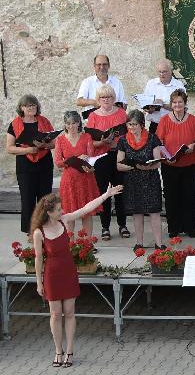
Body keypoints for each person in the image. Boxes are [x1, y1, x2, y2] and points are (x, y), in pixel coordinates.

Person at [31, 184, 124, 368]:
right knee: (55, 314)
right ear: (48, 212)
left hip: (68, 271)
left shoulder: (64, 221)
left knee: (70, 313)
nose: (62, 211)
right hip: (51, 275)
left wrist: (106, 195)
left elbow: (86, 208)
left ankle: (70, 351)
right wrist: (39, 283)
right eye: (58, 209)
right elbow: (38, 259)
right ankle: (58, 350)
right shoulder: (38, 233)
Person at [156, 89, 195, 238]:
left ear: (185, 103)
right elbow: (159, 142)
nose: (177, 105)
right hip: (170, 165)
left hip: (190, 164)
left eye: (180, 102)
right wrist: (166, 155)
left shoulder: (193, 120)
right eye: (175, 102)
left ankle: (190, 228)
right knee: (172, 197)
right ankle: (174, 228)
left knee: (190, 197)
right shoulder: (164, 120)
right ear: (171, 104)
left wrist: (194, 146)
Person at [5, 94, 56, 234]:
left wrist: (44, 144)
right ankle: (30, 230)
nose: (31, 108)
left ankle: (45, 227)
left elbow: (53, 144)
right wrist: (28, 149)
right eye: (28, 105)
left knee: (45, 198)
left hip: (44, 163)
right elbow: (9, 148)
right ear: (21, 108)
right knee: (27, 199)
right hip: (25, 165)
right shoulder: (14, 124)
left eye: (33, 105)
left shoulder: (44, 121)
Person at [116, 110, 164, 250]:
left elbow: (157, 162)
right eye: (129, 124)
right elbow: (119, 165)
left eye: (135, 124)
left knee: (154, 212)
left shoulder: (152, 138)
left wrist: (146, 167)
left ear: (142, 124)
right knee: (137, 212)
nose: (131, 127)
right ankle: (139, 242)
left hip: (150, 179)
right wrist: (135, 166)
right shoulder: (123, 140)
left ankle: (159, 243)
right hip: (132, 180)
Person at [87, 84, 129, 241]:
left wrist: (116, 143)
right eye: (102, 97)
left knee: (120, 191)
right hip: (101, 158)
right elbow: (89, 141)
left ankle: (122, 224)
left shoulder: (122, 114)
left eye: (109, 97)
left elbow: (127, 136)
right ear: (98, 99)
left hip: (118, 155)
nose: (106, 100)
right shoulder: (93, 116)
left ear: (114, 98)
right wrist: (103, 142)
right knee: (104, 193)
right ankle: (105, 227)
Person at [53, 111, 102, 237]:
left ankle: (88, 243)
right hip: (69, 181)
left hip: (85, 178)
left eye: (74, 123)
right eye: (68, 123)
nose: (71, 126)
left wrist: (88, 162)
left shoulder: (86, 137)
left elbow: (91, 158)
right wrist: (74, 158)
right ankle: (71, 245)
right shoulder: (60, 140)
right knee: (70, 214)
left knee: (87, 213)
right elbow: (58, 162)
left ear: (79, 123)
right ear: (65, 124)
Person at [142, 59, 186, 133]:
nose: (162, 74)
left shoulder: (178, 86)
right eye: (160, 72)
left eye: (164, 72)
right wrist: (149, 109)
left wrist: (162, 105)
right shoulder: (151, 84)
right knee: (155, 145)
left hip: (173, 124)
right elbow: (145, 105)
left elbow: (183, 108)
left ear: (171, 71)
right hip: (155, 125)